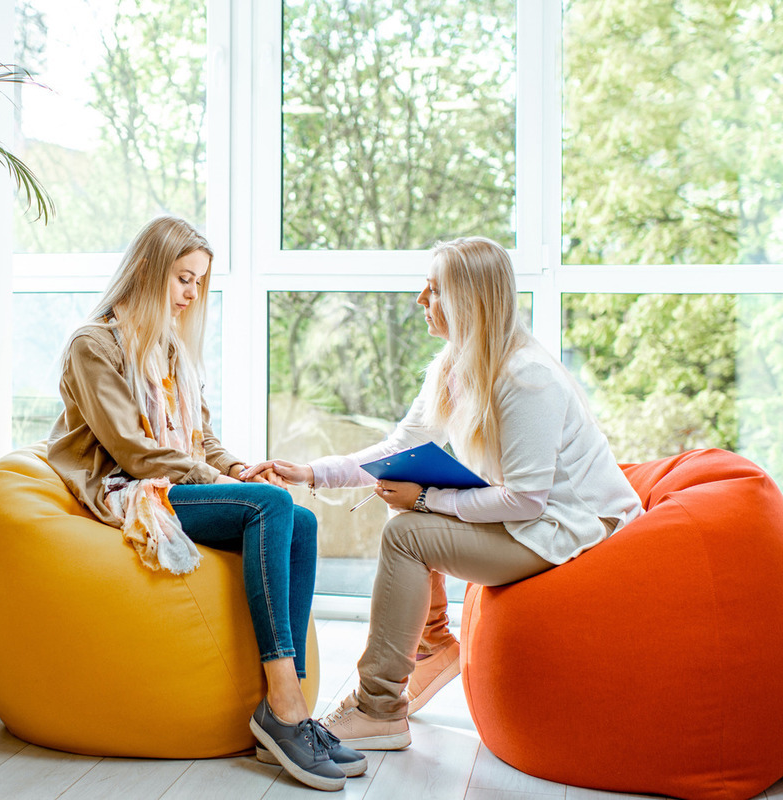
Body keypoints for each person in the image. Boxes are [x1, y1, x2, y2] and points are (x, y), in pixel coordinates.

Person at [245, 236, 644, 750]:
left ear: (468, 302)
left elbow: (527, 500)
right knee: (404, 524)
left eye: (432, 291)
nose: (420, 301)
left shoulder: (526, 378)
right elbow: (397, 447)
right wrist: (310, 474)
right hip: (534, 520)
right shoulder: (453, 367)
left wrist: (427, 500)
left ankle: (378, 709)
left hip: (569, 531)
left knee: (408, 533)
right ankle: (434, 644)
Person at [45, 215, 364, 791]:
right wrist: (226, 482)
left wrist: (239, 469)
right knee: (270, 507)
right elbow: (134, 452)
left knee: (303, 522)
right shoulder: (92, 345)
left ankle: (287, 715)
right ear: (145, 270)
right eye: (182, 278)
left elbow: (201, 439)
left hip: (171, 483)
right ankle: (286, 706)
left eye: (200, 283)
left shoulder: (169, 347)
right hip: (128, 493)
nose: (192, 295)